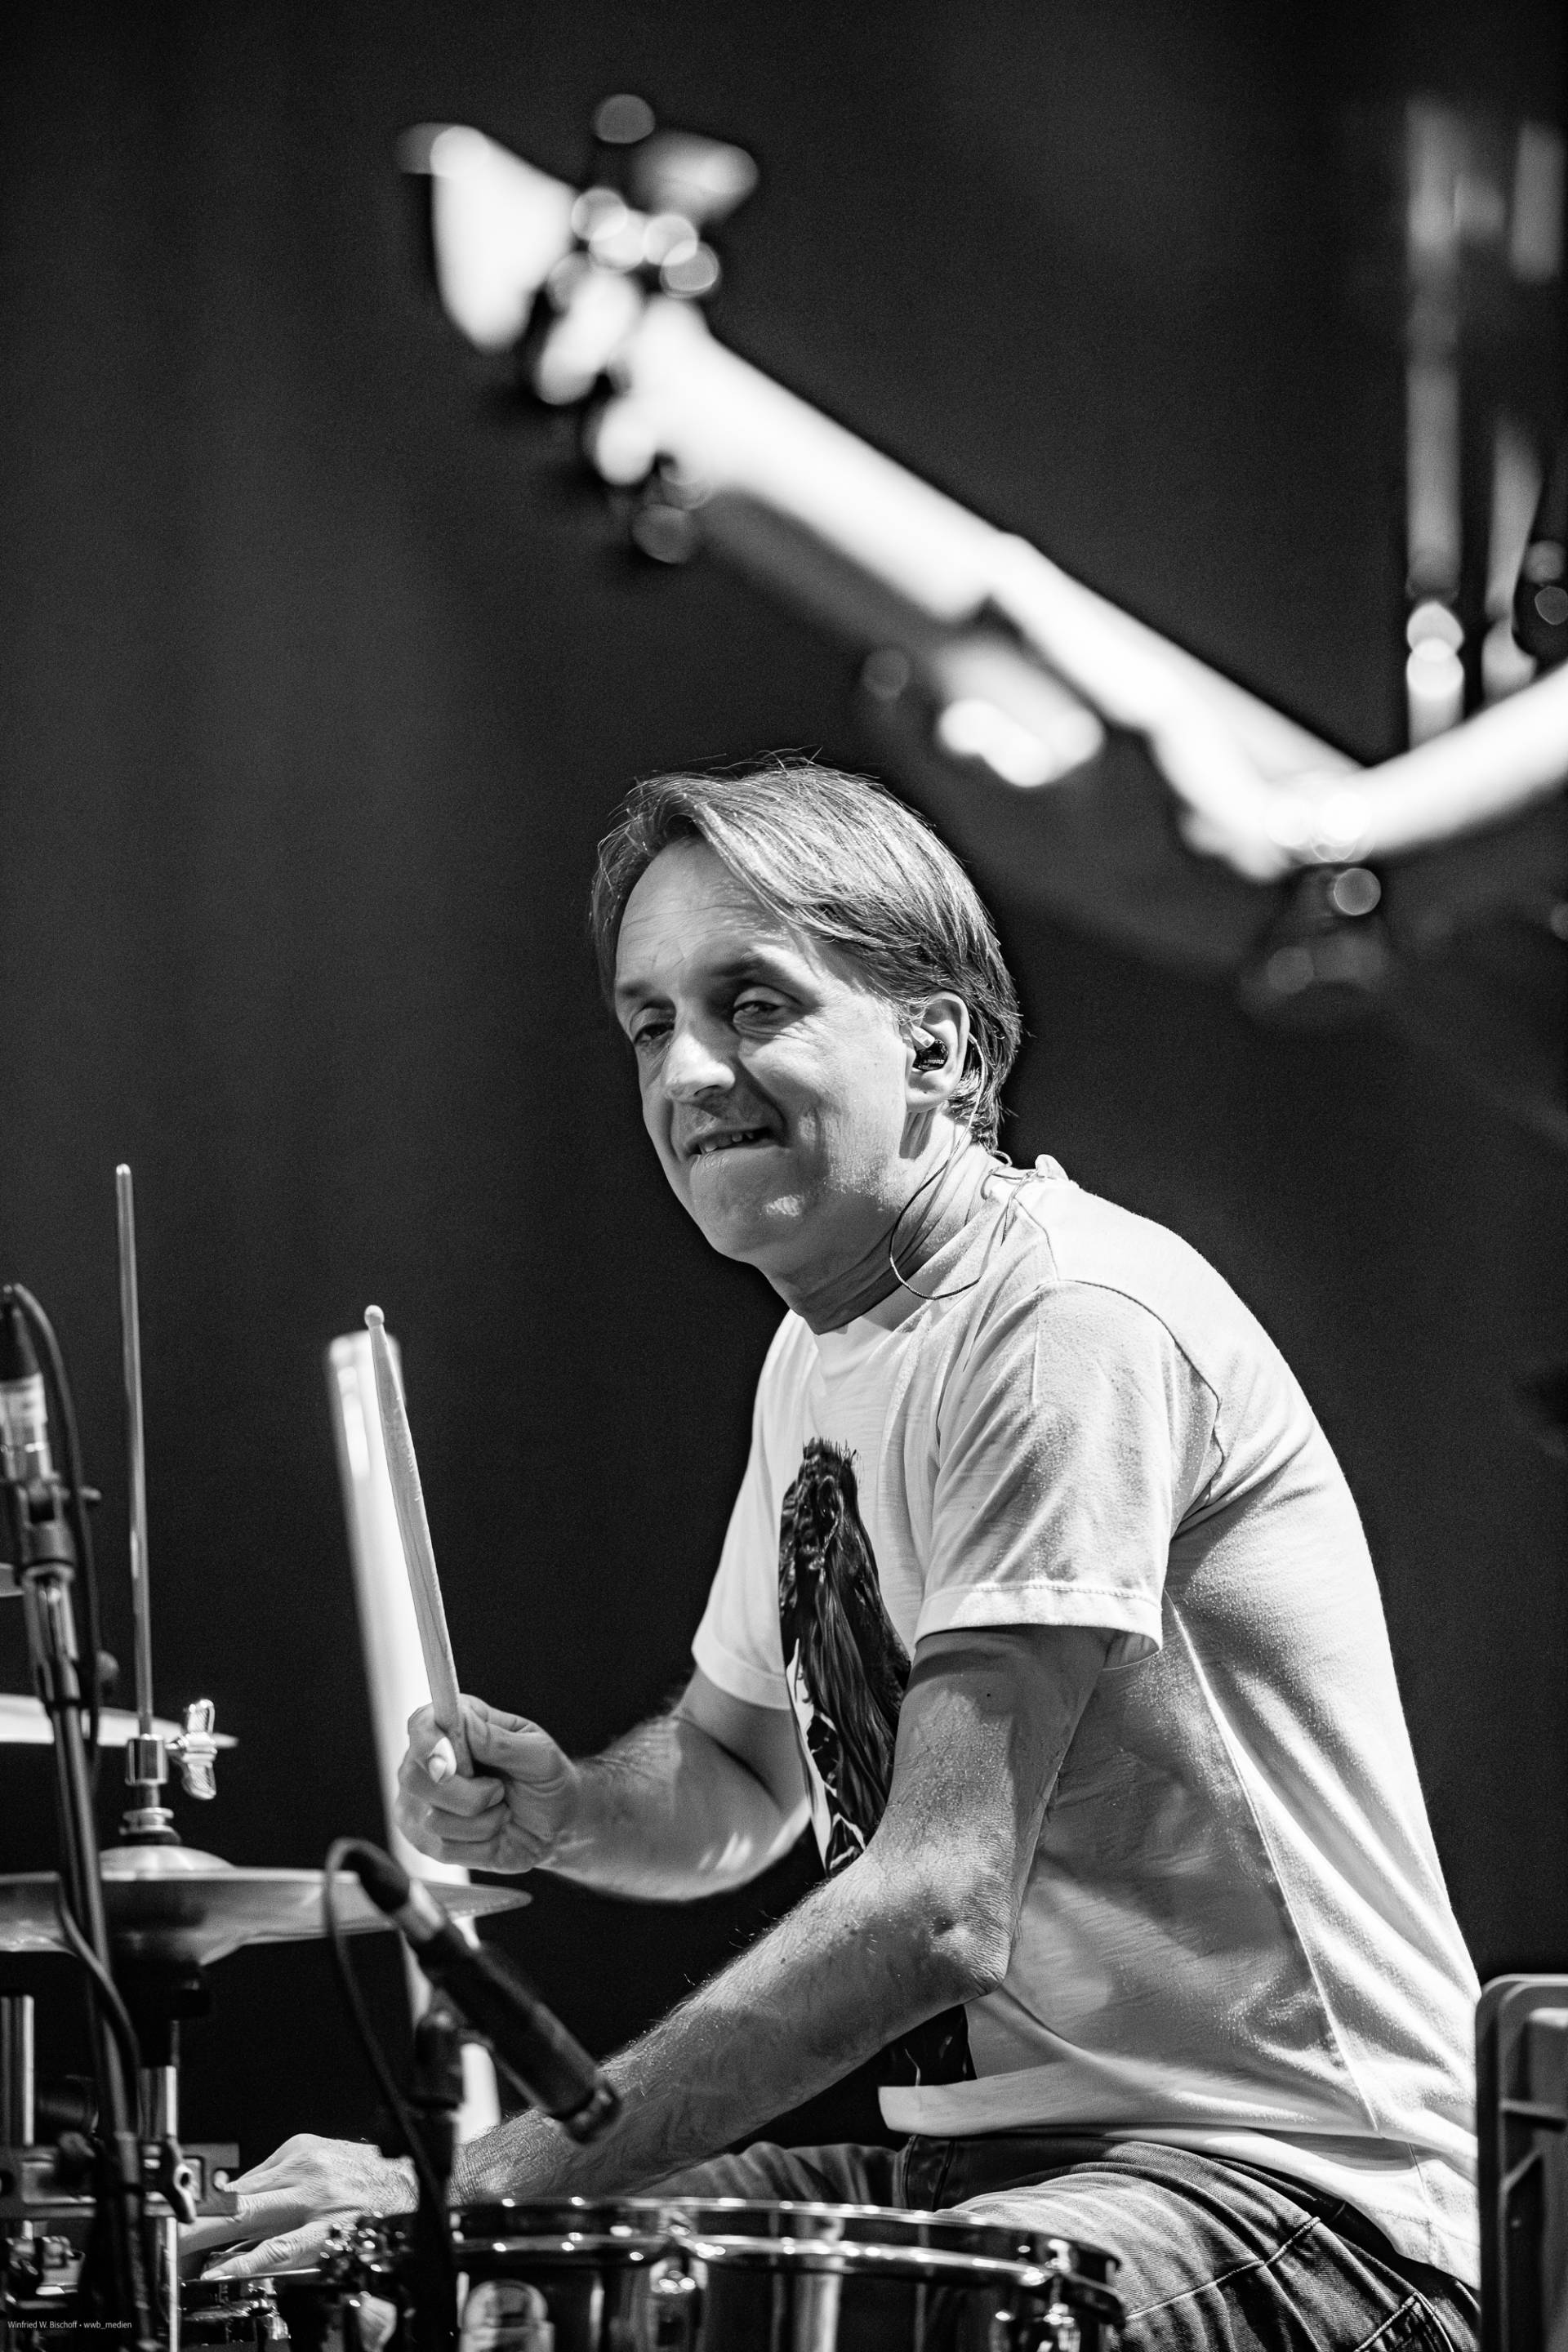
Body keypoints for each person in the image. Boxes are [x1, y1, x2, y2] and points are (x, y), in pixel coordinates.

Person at [188, 762, 1481, 2349]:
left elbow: (934, 1905)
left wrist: (465, 2187)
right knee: (479, 2308)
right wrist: (567, 1808)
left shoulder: (1063, 1324)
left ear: (938, 1048)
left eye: (753, 1003)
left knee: (518, 2256)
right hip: (997, 2166)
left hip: (1296, 2199)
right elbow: (738, 1776)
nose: (689, 1070)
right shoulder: (821, 1355)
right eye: (650, 1023)